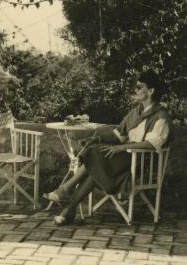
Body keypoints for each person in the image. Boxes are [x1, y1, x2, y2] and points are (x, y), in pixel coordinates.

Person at [45, 70, 171, 225]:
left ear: (151, 91)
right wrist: (95, 138)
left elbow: (152, 144)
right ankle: (69, 209)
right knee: (95, 167)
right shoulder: (136, 112)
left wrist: (120, 148)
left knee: (95, 160)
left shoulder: (161, 116)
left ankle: (65, 190)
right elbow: (118, 135)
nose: (135, 90)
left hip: (138, 161)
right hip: (123, 158)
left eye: (139, 87)